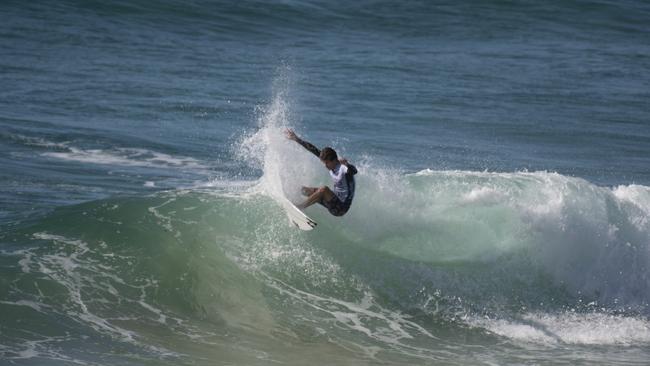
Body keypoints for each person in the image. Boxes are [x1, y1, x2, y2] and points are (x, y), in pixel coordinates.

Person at [285, 129, 357, 216]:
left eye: (327, 163)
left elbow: (354, 171)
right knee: (304, 190)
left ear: (334, 160)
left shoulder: (343, 168)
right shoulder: (332, 162)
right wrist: (296, 139)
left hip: (341, 208)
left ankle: (301, 207)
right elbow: (313, 149)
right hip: (333, 200)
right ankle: (289, 197)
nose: (325, 166)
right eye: (324, 163)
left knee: (324, 189)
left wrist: (348, 165)